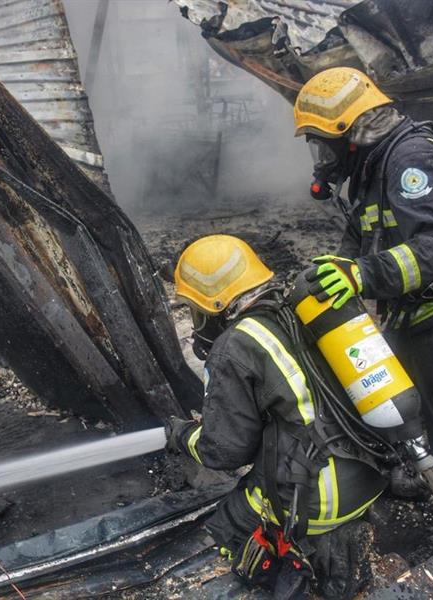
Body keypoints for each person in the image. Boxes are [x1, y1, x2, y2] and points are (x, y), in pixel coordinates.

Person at [293, 67, 433, 572]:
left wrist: (362, 277)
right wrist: (330, 274)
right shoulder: (372, 168)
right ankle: (416, 476)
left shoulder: (410, 159)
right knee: (400, 406)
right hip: (415, 313)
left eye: (325, 143)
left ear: (352, 128)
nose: (323, 158)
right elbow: (361, 241)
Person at [166, 234, 387, 599]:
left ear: (216, 305)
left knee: (230, 521)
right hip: (371, 471)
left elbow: (224, 453)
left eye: (196, 311)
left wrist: (182, 435)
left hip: (321, 501)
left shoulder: (234, 346)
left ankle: (292, 567)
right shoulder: (301, 313)